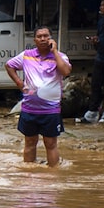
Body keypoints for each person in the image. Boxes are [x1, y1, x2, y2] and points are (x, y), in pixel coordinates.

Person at [6, 26, 72, 165]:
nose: (43, 39)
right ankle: (29, 174)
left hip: (51, 110)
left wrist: (54, 52)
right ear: (34, 40)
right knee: (30, 142)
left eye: (46, 36)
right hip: (29, 109)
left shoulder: (60, 57)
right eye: (39, 36)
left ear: (51, 38)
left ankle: (53, 175)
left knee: (50, 143)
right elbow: (9, 65)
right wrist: (19, 83)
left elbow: (66, 72)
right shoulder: (26, 55)